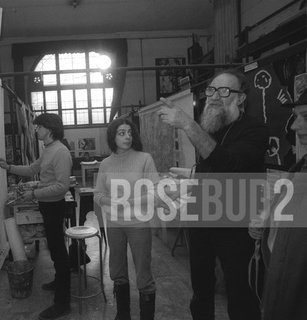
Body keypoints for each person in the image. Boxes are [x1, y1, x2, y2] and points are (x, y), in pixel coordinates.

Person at [157, 69, 269, 320]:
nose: (215, 96)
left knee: (240, 292)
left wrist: (187, 123)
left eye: (224, 90)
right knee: (200, 289)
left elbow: (227, 163)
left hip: (237, 221)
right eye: (211, 90)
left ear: (240, 98)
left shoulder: (255, 129)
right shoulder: (212, 127)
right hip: (202, 217)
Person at [0, 113, 72, 320]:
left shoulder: (61, 152)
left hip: (54, 206)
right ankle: (59, 282)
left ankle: (63, 302)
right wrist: (8, 167)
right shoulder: (48, 150)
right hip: (47, 206)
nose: (36, 130)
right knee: (55, 249)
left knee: (58, 251)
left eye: (38, 127)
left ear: (49, 129)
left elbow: (62, 186)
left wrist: (34, 193)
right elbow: (32, 169)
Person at [94, 118, 160, 320]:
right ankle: (123, 314)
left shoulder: (144, 159)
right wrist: (111, 201)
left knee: (143, 273)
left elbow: (156, 193)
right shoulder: (106, 163)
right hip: (114, 224)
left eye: (130, 132)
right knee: (117, 271)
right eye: (121, 133)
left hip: (138, 224)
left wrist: (127, 202)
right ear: (112, 136)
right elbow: (97, 194)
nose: (127, 137)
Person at [257, 90, 307, 320]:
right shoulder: (299, 171)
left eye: (305, 116)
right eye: (296, 116)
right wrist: (267, 225)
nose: (295, 126)